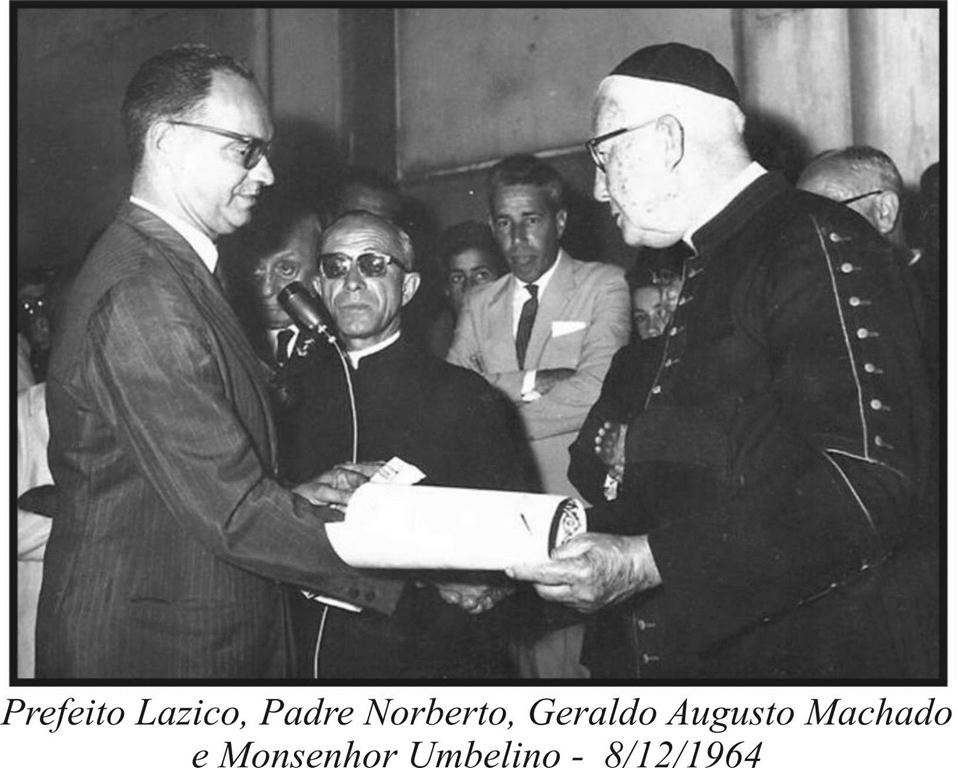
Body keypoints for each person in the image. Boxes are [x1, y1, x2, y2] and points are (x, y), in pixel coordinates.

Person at [509, 42, 935, 679]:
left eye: (603, 156)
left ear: (667, 139)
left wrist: (646, 562)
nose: (597, 188)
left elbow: (867, 481)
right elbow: (709, 484)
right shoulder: (721, 256)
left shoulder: (812, 240)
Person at [36, 44, 399, 679]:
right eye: (245, 150)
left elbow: (175, 488)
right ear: (167, 141)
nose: (267, 175)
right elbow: (232, 513)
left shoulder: (169, 270)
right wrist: (411, 571)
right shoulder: (144, 292)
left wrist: (291, 500)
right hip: (155, 653)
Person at [287, 210, 532, 677]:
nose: (352, 282)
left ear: (409, 287)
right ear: (319, 287)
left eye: (373, 265)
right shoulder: (286, 394)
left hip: (428, 655)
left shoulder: (465, 396)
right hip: (305, 651)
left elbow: (513, 538)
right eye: (336, 267)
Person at [447, 153, 630, 678]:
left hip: (576, 514)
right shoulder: (480, 303)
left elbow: (596, 391)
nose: (517, 238)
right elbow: (452, 398)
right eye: (504, 223)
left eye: (531, 220)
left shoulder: (603, 284)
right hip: (499, 522)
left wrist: (492, 411)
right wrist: (531, 381)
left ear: (560, 221)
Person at [427, 220, 508, 358]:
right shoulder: (437, 346)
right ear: (447, 290)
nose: (469, 288)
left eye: (482, 275)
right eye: (457, 278)